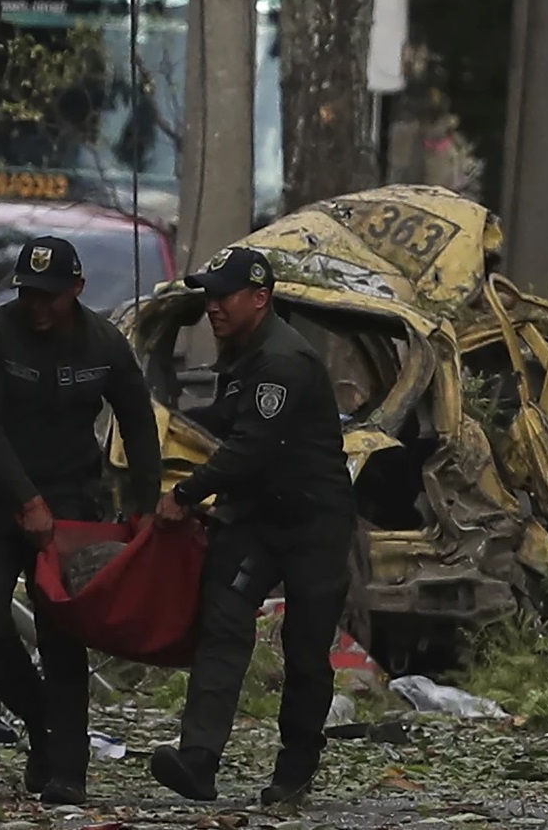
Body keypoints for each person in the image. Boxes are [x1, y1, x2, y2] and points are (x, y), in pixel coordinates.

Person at [0, 235, 162, 806]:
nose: (39, 306)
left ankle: (68, 768)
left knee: (62, 634)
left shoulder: (104, 343)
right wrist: (25, 500)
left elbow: (139, 421)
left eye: (51, 295)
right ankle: (41, 722)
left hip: (71, 502)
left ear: (77, 289)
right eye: (29, 294)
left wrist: (145, 504)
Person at [147, 246, 356, 805]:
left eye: (224, 296)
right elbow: (227, 421)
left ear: (259, 297)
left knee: (305, 648)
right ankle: (198, 761)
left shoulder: (283, 360)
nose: (212, 306)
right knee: (222, 621)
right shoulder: (241, 352)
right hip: (257, 518)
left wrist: (185, 494)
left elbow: (250, 447)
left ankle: (294, 773)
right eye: (208, 296)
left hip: (314, 522)